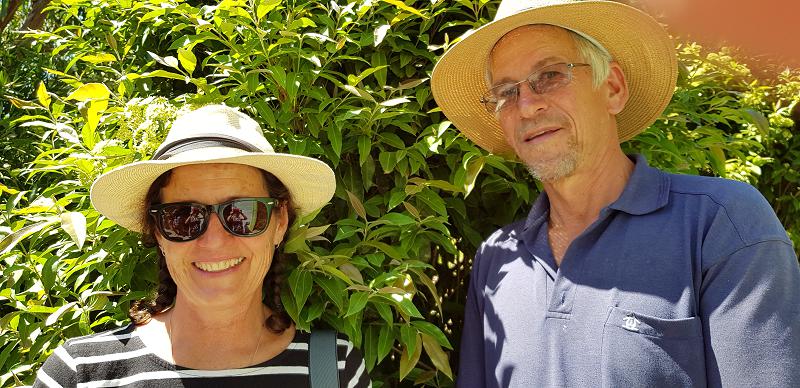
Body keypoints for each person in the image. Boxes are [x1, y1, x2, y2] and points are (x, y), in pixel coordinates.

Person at [430, 0, 800, 387]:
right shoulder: (497, 258)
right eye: (506, 92)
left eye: (551, 75)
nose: (526, 106)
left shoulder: (721, 223)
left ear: (613, 88)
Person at [33, 105, 372, 387]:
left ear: (279, 223)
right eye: (184, 216)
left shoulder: (335, 372)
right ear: (158, 232)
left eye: (242, 213)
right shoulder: (78, 374)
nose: (214, 240)